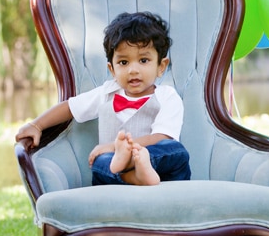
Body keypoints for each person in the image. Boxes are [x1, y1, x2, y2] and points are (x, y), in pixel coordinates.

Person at [15, 11, 191, 186]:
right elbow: (70, 107)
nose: (133, 70)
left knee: (176, 150)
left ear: (161, 66)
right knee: (100, 161)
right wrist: (36, 125)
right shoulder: (107, 93)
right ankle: (132, 177)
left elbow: (161, 137)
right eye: (124, 62)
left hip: (159, 172)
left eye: (144, 60)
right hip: (114, 169)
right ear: (112, 69)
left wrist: (117, 148)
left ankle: (138, 167)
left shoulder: (167, 96)